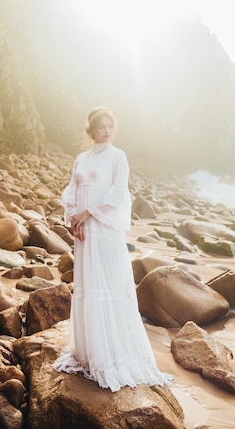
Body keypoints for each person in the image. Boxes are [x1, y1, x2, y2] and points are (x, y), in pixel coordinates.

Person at [53, 107, 167, 392]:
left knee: (106, 283)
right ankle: (89, 351)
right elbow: (70, 189)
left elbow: (118, 191)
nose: (107, 130)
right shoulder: (82, 158)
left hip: (103, 227)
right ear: (91, 130)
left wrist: (88, 212)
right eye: (101, 126)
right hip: (83, 228)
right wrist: (73, 214)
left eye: (110, 126)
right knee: (88, 284)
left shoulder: (118, 156)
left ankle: (109, 355)